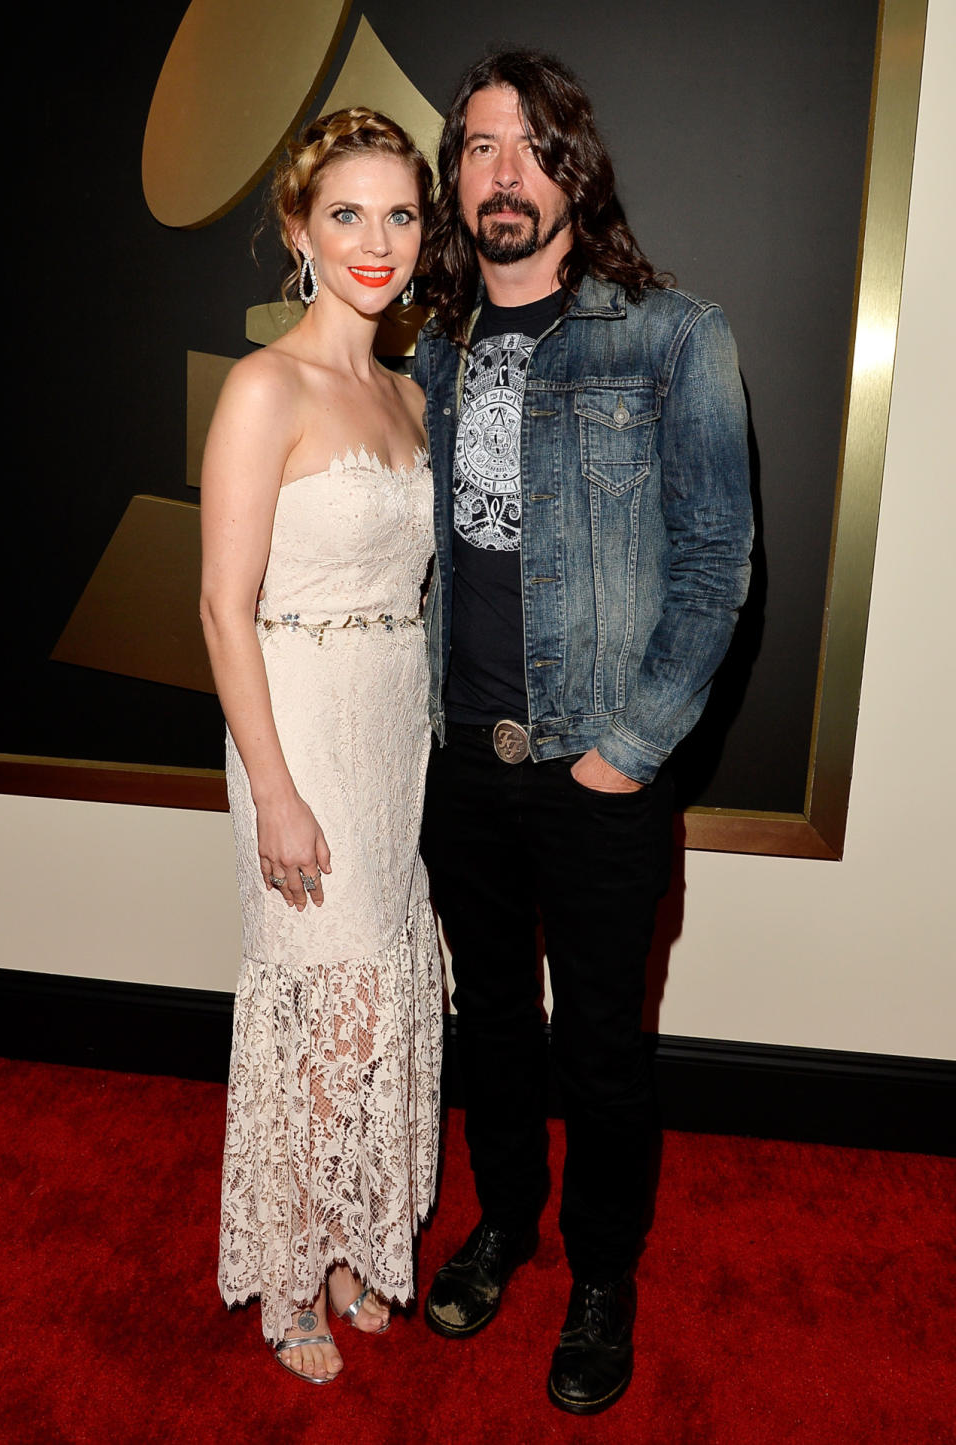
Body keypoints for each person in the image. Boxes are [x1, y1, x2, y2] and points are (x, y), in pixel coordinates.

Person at [414, 51, 753, 1415]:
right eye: (478, 147)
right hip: (461, 763)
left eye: (529, 145)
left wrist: (633, 746)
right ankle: (505, 1222)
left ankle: (602, 1274)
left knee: (603, 1045)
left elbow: (719, 559)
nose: (503, 170)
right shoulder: (425, 354)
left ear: (573, 171)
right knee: (490, 1023)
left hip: (600, 771)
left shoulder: (673, 335)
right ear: (456, 184)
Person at [200, 108, 442, 1385]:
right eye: (346, 213)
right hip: (294, 726)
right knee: (321, 1002)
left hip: (390, 723)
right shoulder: (265, 385)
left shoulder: (403, 392)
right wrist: (278, 793)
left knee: (376, 992)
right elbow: (218, 607)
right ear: (298, 231)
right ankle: (289, 1274)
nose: (376, 240)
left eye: (400, 213)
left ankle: (351, 1238)